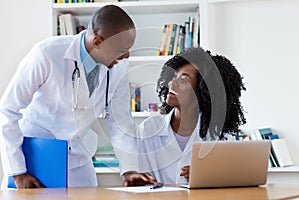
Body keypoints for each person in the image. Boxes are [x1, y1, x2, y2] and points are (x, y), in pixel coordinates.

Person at [0, 5, 138, 189]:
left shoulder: (117, 67)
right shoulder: (47, 53)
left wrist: (130, 170)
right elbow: (8, 109)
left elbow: (121, 121)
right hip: (35, 159)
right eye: (121, 50)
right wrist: (17, 171)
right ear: (97, 41)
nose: (126, 56)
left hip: (78, 160)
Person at [123, 47, 247, 186]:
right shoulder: (149, 129)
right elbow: (140, 182)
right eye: (173, 77)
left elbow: (230, 183)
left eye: (183, 80)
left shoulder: (218, 135)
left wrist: (208, 176)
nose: (172, 83)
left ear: (202, 89)